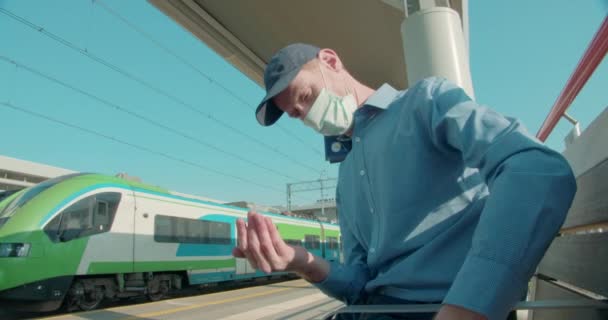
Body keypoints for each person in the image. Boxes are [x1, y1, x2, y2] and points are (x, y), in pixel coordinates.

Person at [232, 43, 577, 320]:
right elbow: (360, 282)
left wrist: (470, 307)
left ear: (331, 61)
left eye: (305, 97)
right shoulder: (347, 170)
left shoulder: (426, 103)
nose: (305, 115)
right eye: (296, 114)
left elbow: (536, 170)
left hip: (442, 306)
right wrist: (301, 262)